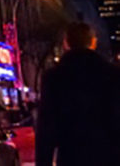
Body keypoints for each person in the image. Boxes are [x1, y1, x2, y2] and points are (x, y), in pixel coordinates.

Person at [36, 22, 120, 166]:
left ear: (66, 43)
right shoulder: (112, 75)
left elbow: (46, 128)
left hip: (71, 156)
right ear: (93, 42)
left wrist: (44, 161)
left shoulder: (54, 77)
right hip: (108, 155)